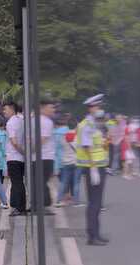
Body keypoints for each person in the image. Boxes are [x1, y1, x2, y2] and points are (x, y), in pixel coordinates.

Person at [76, 94, 109, 246]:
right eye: (97, 106)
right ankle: (92, 236)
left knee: (97, 203)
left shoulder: (95, 124)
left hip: (98, 166)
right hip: (92, 168)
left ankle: (96, 233)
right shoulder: (86, 125)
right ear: (91, 108)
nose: (99, 109)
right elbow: (87, 147)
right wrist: (94, 168)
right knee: (94, 203)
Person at [31, 99, 56, 209]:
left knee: (39, 181)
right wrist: (33, 150)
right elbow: (43, 139)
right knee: (41, 181)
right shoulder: (46, 121)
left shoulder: (35, 120)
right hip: (45, 156)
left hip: (40, 156)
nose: (53, 110)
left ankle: (41, 203)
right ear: (43, 108)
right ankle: (42, 203)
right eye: (50, 107)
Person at [3, 101, 26, 216]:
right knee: (20, 182)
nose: (4, 112)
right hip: (21, 158)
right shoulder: (21, 121)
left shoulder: (10, 123)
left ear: (12, 109)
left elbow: (14, 142)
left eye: (5, 109)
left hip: (13, 156)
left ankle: (16, 207)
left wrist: (22, 151)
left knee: (15, 183)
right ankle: (22, 206)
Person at [56, 119, 81, 207]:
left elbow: (61, 148)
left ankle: (59, 200)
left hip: (66, 161)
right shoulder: (78, 137)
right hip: (76, 162)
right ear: (76, 126)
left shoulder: (63, 136)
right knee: (76, 182)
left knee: (63, 182)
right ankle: (76, 201)